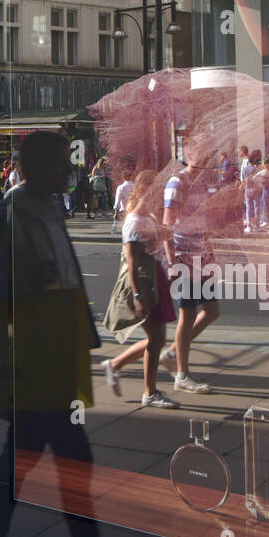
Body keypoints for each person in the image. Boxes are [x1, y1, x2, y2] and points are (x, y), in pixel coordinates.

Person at [0, 131, 109, 537]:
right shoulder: (10, 216)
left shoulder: (52, 209)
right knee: (68, 459)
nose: (67, 172)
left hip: (57, 350)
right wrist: (23, 283)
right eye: (59, 164)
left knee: (27, 455)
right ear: (33, 168)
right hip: (35, 357)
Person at [102, 170, 178, 406]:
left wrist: (166, 235)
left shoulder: (149, 217)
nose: (158, 198)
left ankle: (115, 366)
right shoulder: (134, 222)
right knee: (156, 339)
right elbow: (133, 264)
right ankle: (149, 392)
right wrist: (137, 295)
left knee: (157, 339)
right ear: (146, 192)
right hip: (145, 282)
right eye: (155, 193)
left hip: (155, 278)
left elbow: (158, 239)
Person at [160, 145, 217, 393]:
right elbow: (166, 225)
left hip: (201, 257)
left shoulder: (202, 183)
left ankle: (173, 352)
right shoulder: (177, 182)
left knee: (212, 311)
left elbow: (204, 219)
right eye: (202, 153)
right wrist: (172, 261)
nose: (207, 157)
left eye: (208, 154)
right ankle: (182, 375)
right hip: (184, 258)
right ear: (189, 155)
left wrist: (210, 250)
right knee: (188, 314)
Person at [111, 163, 135, 234]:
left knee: (123, 227)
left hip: (124, 210)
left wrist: (115, 213)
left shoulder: (121, 187)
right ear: (130, 177)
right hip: (133, 209)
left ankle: (114, 233)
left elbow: (117, 201)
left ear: (123, 177)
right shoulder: (135, 186)